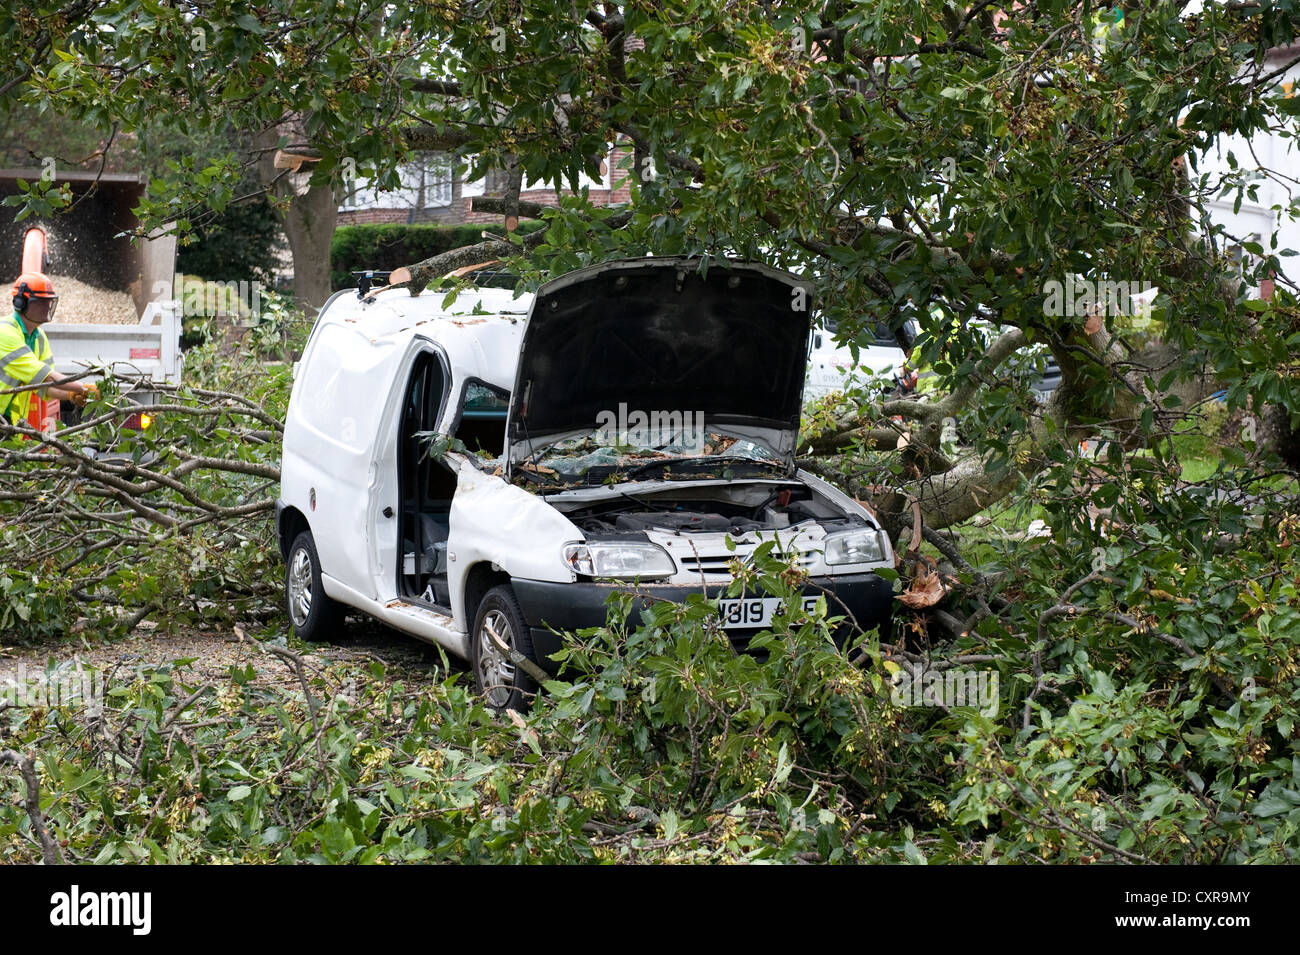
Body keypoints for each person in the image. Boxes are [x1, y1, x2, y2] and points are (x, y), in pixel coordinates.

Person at [0, 271, 96, 428]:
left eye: (50, 301)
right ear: (21, 303)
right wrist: (84, 388)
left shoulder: (39, 338)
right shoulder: (4, 332)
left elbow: (46, 388)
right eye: (41, 302)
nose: (48, 306)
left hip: (9, 422)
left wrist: (71, 395)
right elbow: (45, 376)